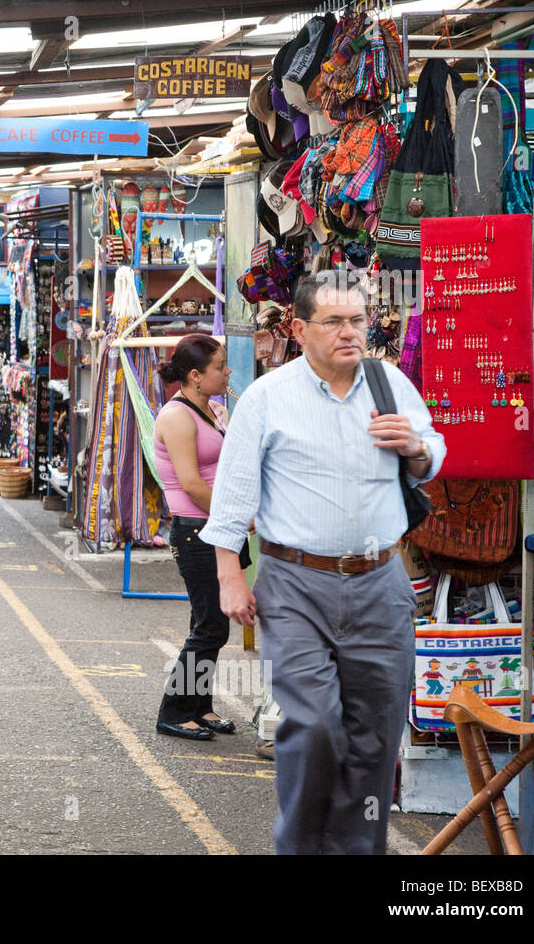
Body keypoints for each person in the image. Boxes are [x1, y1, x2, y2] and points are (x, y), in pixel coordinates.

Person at [200, 271, 445, 855]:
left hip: (382, 584)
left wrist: (414, 447)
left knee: (374, 738)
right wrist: (230, 576)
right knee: (312, 727)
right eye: (334, 321)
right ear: (299, 328)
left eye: (358, 320)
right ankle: (301, 846)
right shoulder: (267, 397)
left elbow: (432, 456)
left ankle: (355, 850)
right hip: (295, 584)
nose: (349, 333)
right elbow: (233, 495)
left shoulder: (391, 385)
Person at [152, 334, 244, 742]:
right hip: (195, 530)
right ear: (195, 375)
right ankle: (173, 710)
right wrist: (237, 515)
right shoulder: (176, 416)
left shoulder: (216, 410)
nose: (227, 373)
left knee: (208, 621)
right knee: (210, 627)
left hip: (219, 527)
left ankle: (199, 706)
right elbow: (190, 482)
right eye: (220, 367)